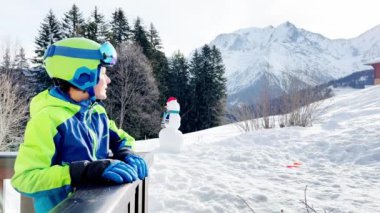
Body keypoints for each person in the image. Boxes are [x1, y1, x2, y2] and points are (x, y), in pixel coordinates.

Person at [11, 37, 148, 213]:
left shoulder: (96, 113)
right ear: (83, 75)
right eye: (103, 72)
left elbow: (121, 138)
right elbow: (25, 179)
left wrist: (125, 152)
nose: (108, 80)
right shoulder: (48, 120)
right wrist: (84, 171)